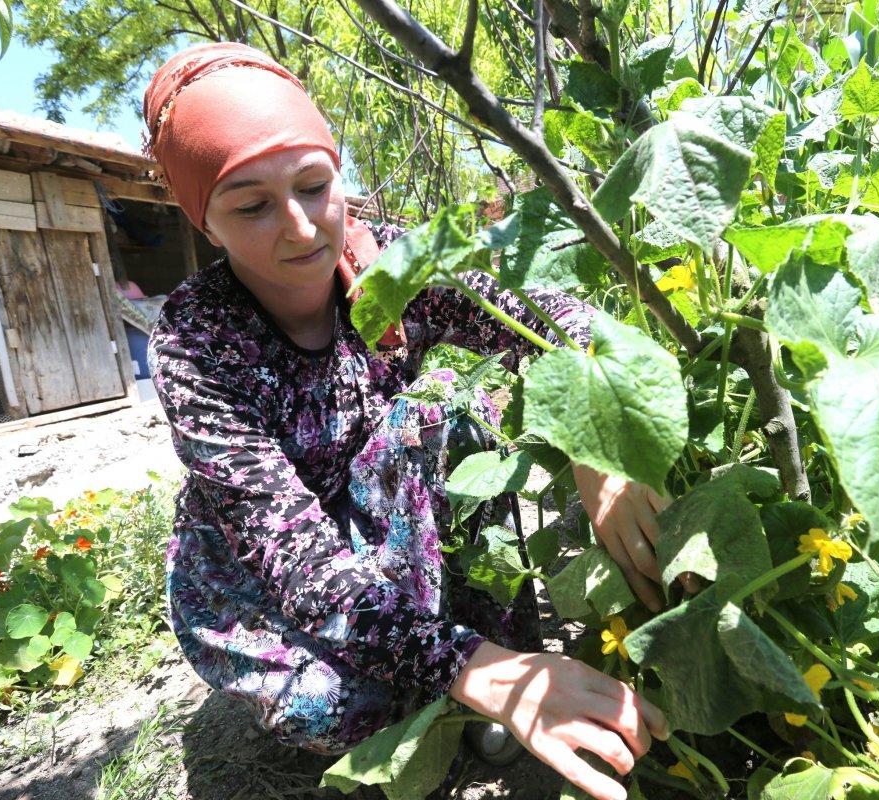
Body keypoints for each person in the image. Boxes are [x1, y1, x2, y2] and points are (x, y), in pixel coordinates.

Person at [143, 42, 679, 800]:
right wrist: (476, 669)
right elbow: (299, 569)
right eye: (252, 205)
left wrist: (596, 437)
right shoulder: (196, 343)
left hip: (388, 514)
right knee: (345, 707)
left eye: (314, 185)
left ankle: (478, 656)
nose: (299, 228)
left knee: (450, 408)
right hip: (264, 574)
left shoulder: (390, 266)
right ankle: (468, 671)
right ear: (206, 221)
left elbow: (553, 313)